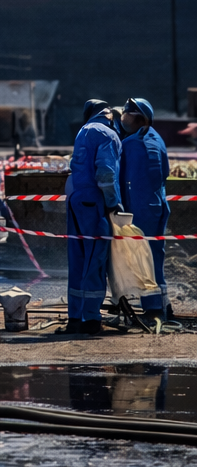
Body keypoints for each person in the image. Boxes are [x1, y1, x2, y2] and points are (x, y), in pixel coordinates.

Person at [64, 99, 122, 334]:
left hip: (76, 201)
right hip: (95, 203)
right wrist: (113, 203)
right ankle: (91, 320)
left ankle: (75, 318)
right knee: (95, 261)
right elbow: (106, 173)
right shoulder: (107, 134)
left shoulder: (84, 131)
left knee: (77, 259)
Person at [120, 97, 175, 328]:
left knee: (144, 260)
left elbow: (119, 178)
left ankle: (153, 310)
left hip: (141, 209)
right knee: (155, 257)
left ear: (140, 118)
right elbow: (165, 172)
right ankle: (164, 305)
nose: (124, 117)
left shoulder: (130, 144)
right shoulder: (157, 139)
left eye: (128, 113)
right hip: (158, 205)